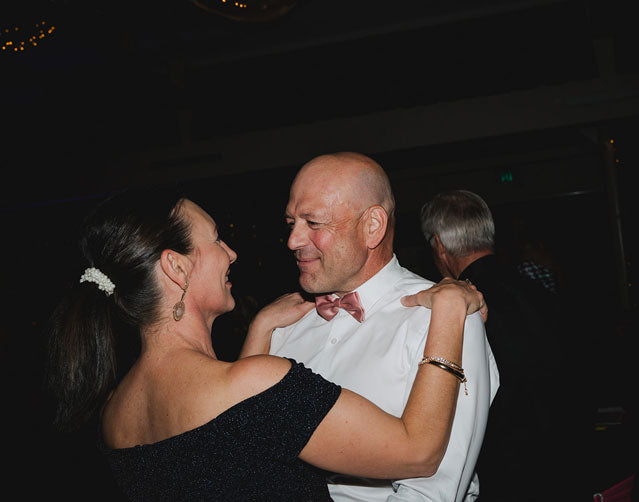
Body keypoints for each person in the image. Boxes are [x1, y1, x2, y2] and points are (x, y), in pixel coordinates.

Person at [43, 186, 486, 501]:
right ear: (176, 268)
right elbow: (418, 452)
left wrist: (259, 330)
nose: (231, 253)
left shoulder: (115, 414)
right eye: (216, 239)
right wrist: (448, 310)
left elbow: (228, 448)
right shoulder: (257, 384)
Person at [264, 152, 499, 501]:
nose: (293, 240)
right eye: (291, 223)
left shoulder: (445, 319)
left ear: (372, 226)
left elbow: (432, 491)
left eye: (313, 223)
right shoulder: (283, 325)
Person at [420, 189, 586, 501]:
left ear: (439, 246)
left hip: (505, 474)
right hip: (568, 460)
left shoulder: (457, 311)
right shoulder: (542, 292)